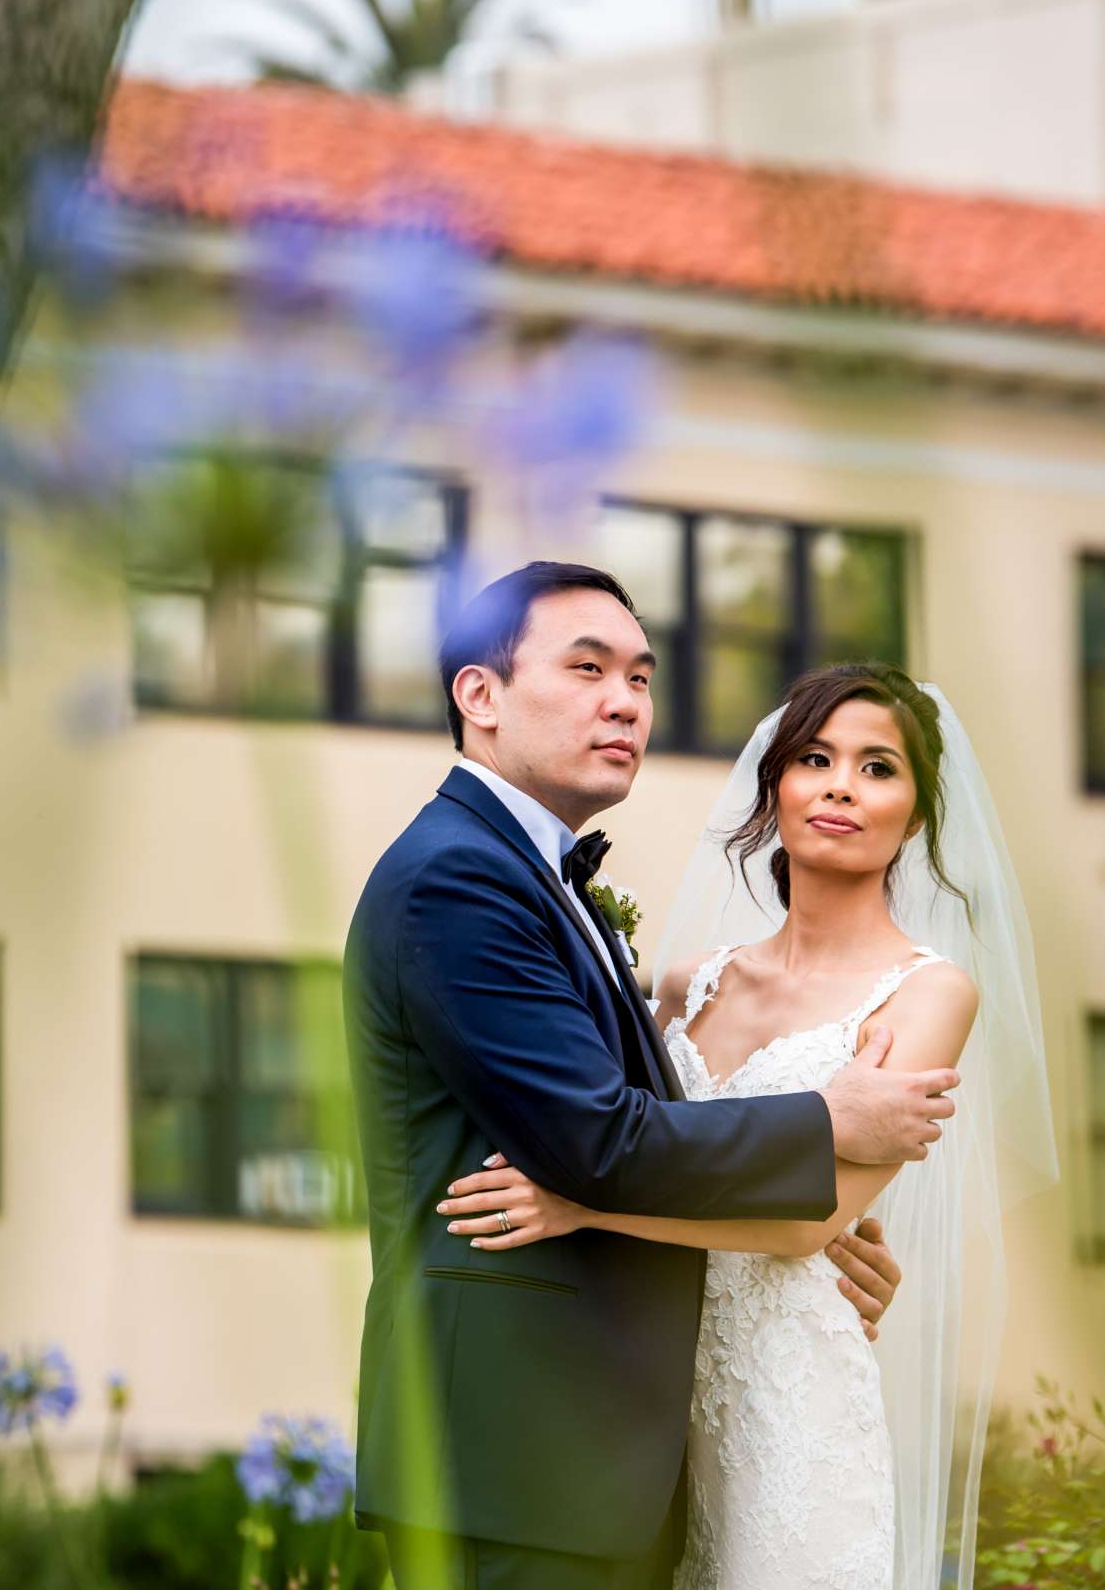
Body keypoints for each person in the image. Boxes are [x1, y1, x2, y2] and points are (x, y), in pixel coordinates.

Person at [343, 563, 962, 1590]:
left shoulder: (536, 876)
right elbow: (597, 1141)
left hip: (635, 1444)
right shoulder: (460, 877)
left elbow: (667, 1158)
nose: (625, 699)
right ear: (479, 694)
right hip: (521, 1453)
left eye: (640, 675)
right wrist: (827, 1118)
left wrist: (811, 1253)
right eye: (587, 668)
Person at [440, 661, 1060, 1589]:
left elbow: (804, 1222)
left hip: (793, 1412)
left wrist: (583, 1207)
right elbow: (624, 1132)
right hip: (648, 1400)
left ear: (920, 812)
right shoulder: (690, 983)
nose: (843, 785)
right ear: (776, 785)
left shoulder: (929, 994)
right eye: (816, 758)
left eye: (879, 767)